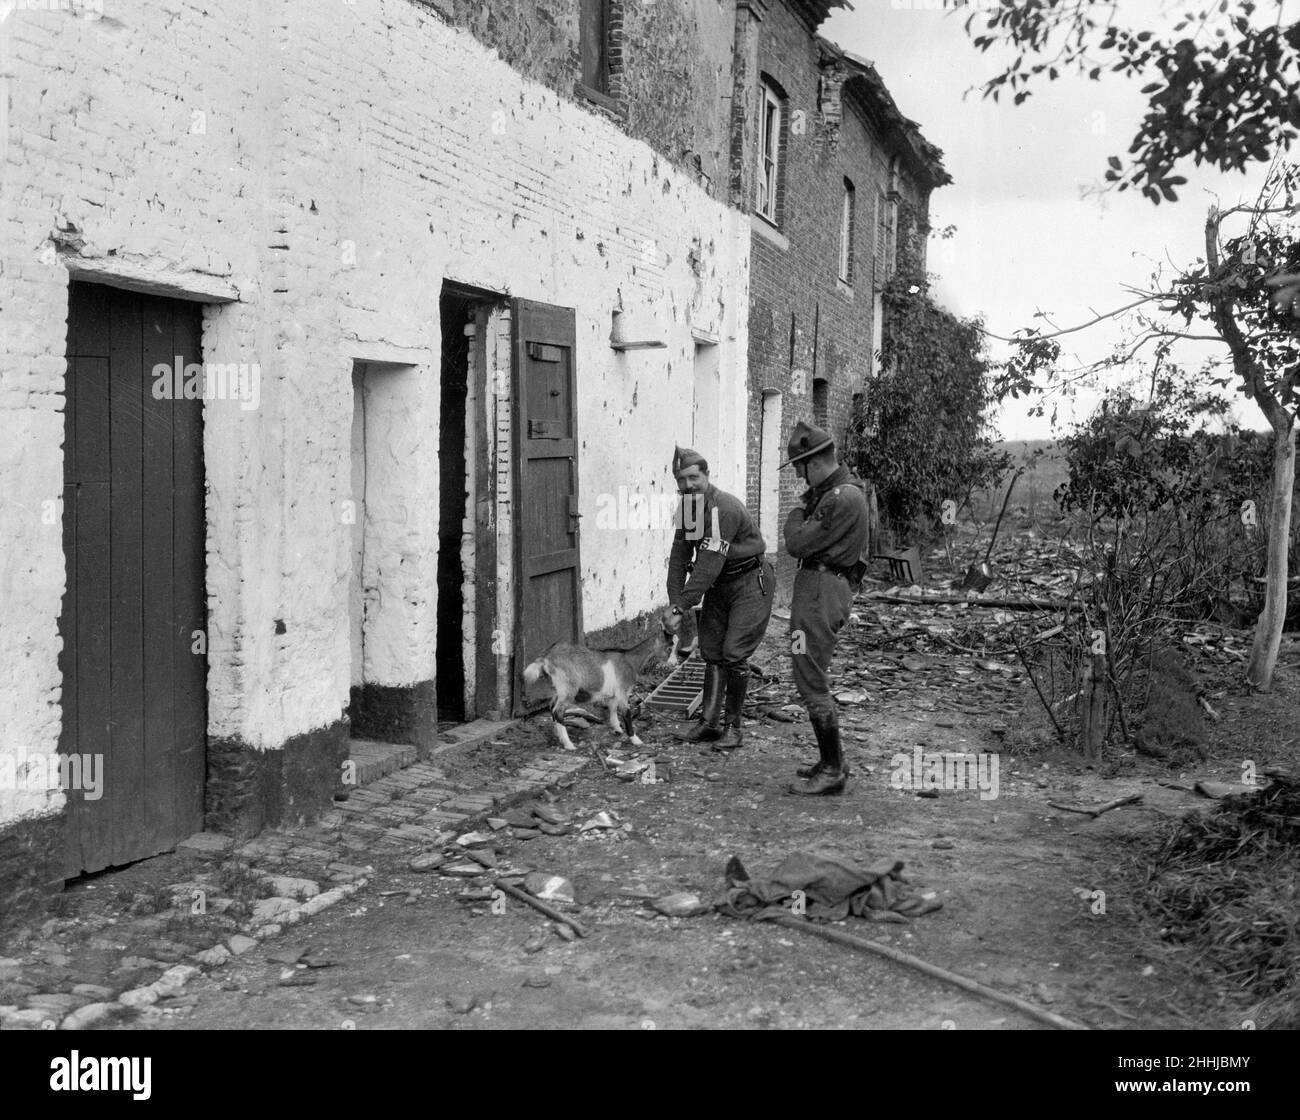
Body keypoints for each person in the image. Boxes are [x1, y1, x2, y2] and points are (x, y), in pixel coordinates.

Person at [781, 421, 871, 795]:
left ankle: (833, 769)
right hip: (818, 588)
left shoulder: (840, 498)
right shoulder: (838, 494)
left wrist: (794, 516)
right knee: (807, 667)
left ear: (814, 462)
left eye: (801, 469)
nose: (801, 478)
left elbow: (797, 543)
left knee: (809, 675)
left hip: (820, 592)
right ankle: (831, 760)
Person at [666, 445, 773, 750]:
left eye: (693, 478)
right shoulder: (688, 508)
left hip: (749, 581)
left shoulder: (722, 508)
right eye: (681, 481)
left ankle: (734, 728)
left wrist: (682, 605)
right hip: (719, 583)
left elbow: (709, 561)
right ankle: (710, 723)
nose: (688, 486)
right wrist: (677, 604)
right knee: (711, 650)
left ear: (706, 475)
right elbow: (679, 557)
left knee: (734, 652)